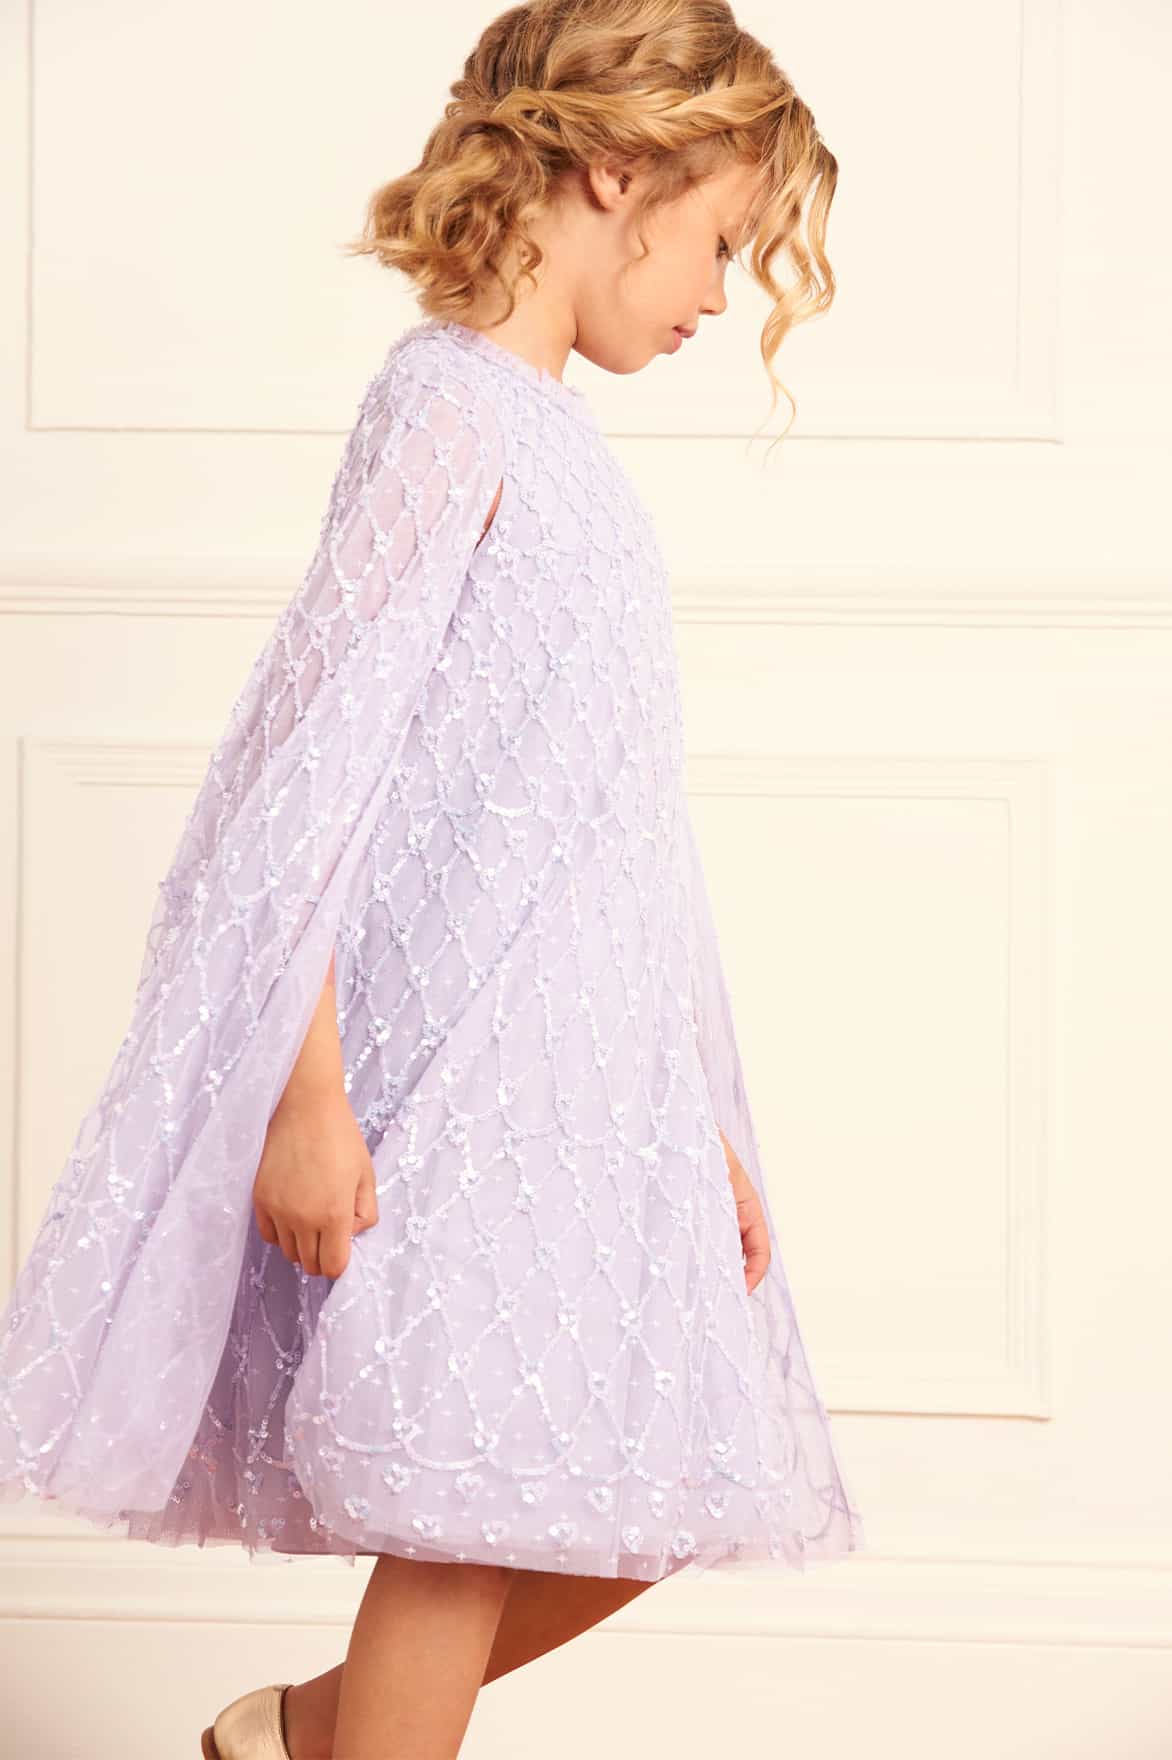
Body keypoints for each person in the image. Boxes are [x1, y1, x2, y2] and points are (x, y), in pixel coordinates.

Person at [0, 3, 866, 1756]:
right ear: (614, 171)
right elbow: (303, 780)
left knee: (652, 1489)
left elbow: (608, 823)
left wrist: (691, 1110)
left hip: (583, 1093)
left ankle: (292, 1736)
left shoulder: (554, 445)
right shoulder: (444, 415)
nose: (719, 300)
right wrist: (299, 1092)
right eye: (717, 243)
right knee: (469, 1525)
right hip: (460, 1085)